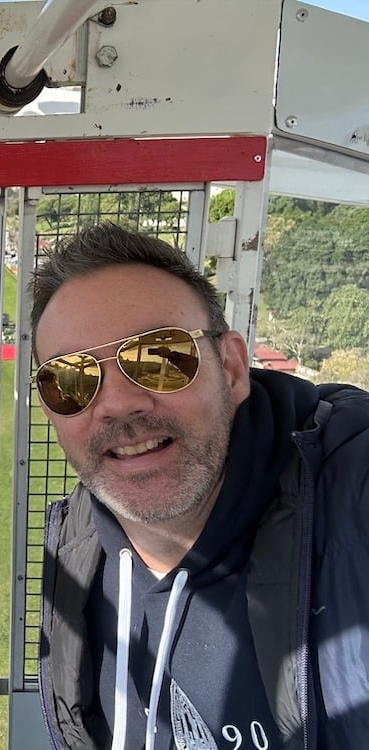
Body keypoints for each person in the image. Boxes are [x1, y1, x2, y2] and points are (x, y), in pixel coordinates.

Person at [29, 222, 369, 749]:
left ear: (232, 368)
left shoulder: (349, 497)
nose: (118, 404)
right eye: (69, 380)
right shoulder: (78, 547)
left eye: (160, 358)